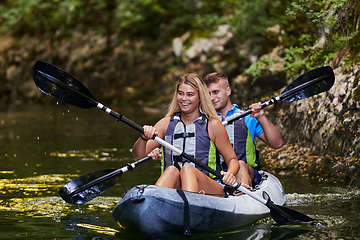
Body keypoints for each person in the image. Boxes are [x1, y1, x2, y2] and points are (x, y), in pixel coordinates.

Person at [132, 73, 239, 196]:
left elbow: (232, 159)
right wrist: (143, 138)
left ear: (200, 97)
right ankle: (155, 201)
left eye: (190, 94)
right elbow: (137, 154)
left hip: (210, 188)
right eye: (181, 93)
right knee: (171, 170)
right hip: (178, 186)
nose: (184, 99)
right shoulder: (166, 123)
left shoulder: (213, 125)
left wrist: (230, 173)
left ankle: (188, 206)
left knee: (188, 169)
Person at [204, 72, 284, 188]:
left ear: (228, 91)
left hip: (246, 171)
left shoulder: (247, 117)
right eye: (208, 94)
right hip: (218, 176)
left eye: (216, 92)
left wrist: (261, 116)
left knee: (240, 165)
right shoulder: (205, 122)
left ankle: (242, 194)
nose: (212, 98)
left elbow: (277, 144)